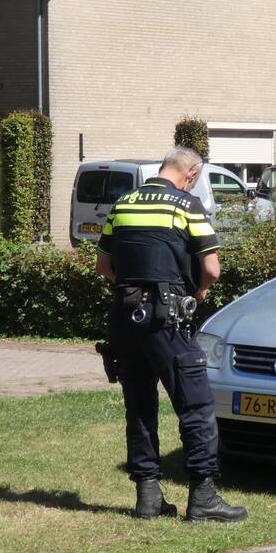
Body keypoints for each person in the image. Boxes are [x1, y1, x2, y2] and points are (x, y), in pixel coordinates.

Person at [95, 146, 247, 523]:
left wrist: (136, 288)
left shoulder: (124, 204)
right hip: (168, 320)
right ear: (191, 174)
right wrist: (195, 293)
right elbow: (211, 268)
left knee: (141, 408)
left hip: (124, 319)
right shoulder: (186, 205)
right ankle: (203, 498)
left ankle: (148, 499)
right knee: (196, 407)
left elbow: (103, 266)